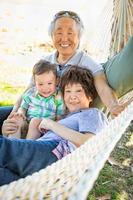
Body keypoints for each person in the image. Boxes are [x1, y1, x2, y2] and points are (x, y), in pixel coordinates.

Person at [0, 10, 128, 133]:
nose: (64, 38)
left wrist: (113, 107)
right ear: (52, 36)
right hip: (32, 111)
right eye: (59, 33)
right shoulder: (45, 61)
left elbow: (103, 88)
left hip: (58, 123)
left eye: (70, 33)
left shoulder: (88, 63)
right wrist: (12, 116)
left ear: (79, 37)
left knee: (10, 143)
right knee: (7, 122)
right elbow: (28, 91)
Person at [0, 66, 108, 186]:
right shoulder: (66, 117)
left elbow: (89, 142)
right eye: (68, 91)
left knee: (3, 146)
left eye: (79, 91)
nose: (72, 96)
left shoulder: (92, 113)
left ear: (90, 96)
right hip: (38, 158)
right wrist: (9, 133)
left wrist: (51, 124)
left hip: (55, 153)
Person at [4, 60, 65, 139]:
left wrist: (54, 126)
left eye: (49, 83)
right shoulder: (31, 93)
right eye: (40, 84)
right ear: (35, 82)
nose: (45, 88)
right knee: (16, 119)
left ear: (57, 81)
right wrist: (20, 113)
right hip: (27, 122)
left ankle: (28, 146)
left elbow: (59, 116)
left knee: (35, 121)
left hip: (44, 127)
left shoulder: (58, 97)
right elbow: (23, 107)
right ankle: (12, 144)